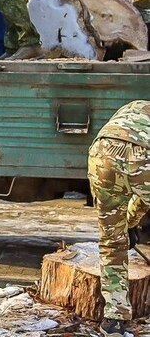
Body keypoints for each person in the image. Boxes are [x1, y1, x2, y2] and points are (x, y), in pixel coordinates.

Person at [88, 100, 150, 337]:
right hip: (144, 155)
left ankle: (114, 319)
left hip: (103, 153)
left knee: (112, 241)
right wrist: (133, 220)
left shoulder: (132, 107)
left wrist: (129, 224)